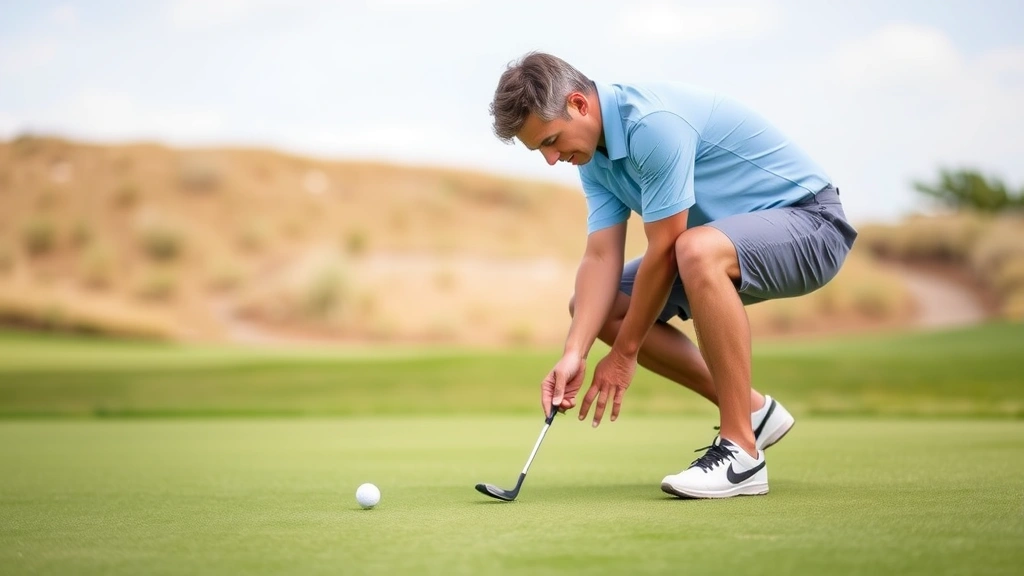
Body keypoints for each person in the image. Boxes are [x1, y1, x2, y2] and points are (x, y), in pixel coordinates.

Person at [488, 52, 858, 499]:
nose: (550, 159)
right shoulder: (593, 156)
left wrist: (625, 354)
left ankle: (742, 451)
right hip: (720, 246)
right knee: (595, 309)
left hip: (813, 226)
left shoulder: (651, 124)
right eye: (539, 150)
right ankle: (755, 412)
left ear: (580, 105)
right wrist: (575, 352)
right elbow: (602, 256)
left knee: (694, 249)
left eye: (551, 140)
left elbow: (665, 250)